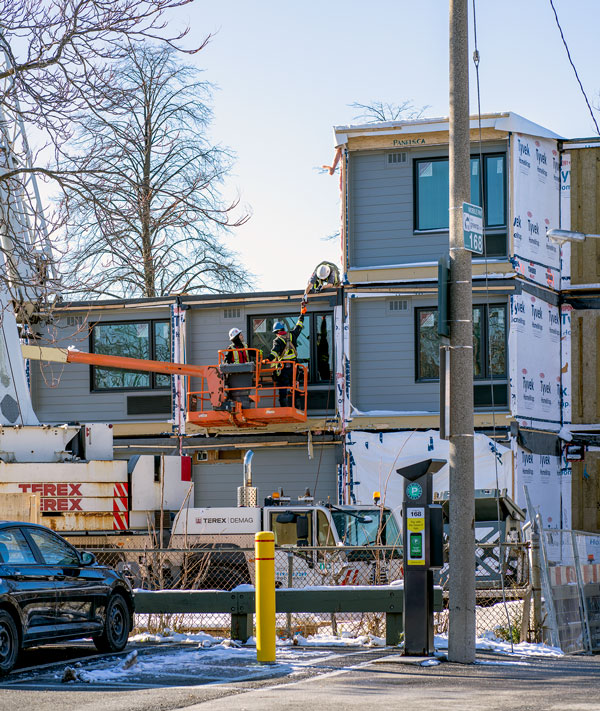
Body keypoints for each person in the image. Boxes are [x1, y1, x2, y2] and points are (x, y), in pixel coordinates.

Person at [265, 304, 306, 407]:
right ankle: (297, 406)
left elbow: (274, 352)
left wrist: (267, 359)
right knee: (295, 385)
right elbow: (299, 326)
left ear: (277, 332)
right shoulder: (292, 334)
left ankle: (284, 407)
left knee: (283, 387)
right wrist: (302, 314)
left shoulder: (278, 340)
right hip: (295, 366)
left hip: (284, 368)